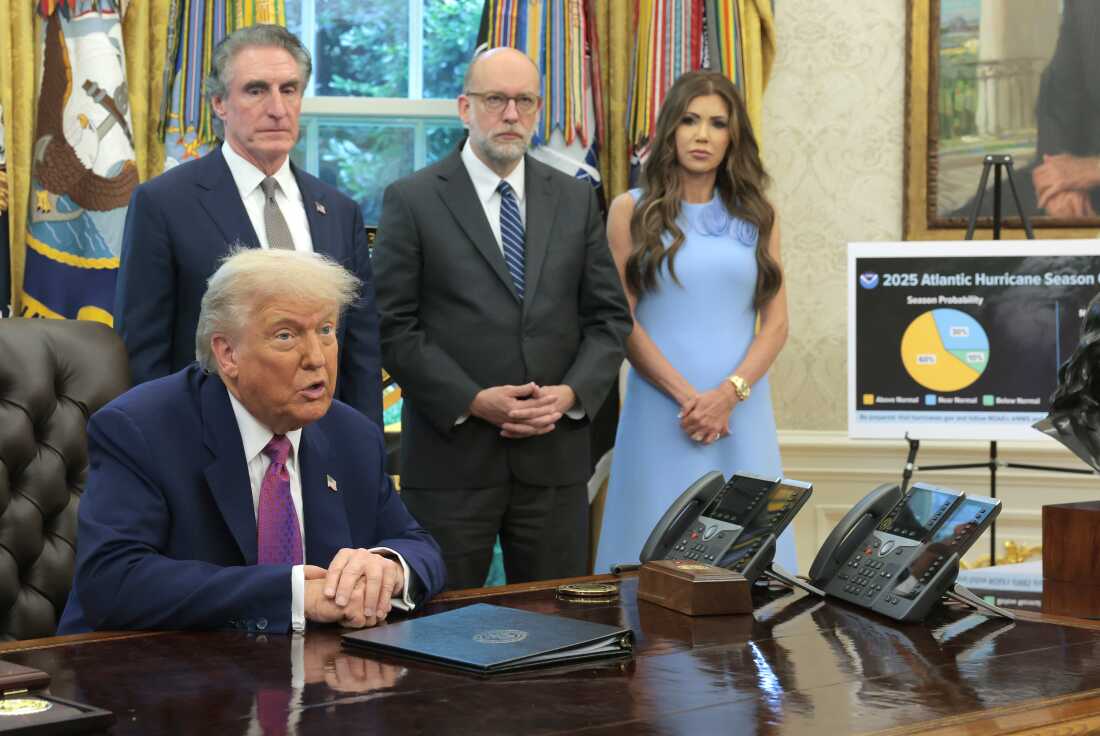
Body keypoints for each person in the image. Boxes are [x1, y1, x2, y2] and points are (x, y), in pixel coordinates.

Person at [57, 249, 445, 633]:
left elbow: (418, 544)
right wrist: (294, 595)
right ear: (227, 354)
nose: (316, 358)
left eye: (326, 330)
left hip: (311, 675)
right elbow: (112, 581)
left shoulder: (351, 435)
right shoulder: (140, 429)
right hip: (146, 675)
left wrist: (389, 568)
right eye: (286, 335)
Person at [372, 47, 631, 590]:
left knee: (558, 634)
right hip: (452, 463)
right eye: (496, 100)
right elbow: (393, 325)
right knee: (441, 632)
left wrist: (570, 396)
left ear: (538, 111)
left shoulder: (575, 199)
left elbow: (608, 319)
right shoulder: (412, 200)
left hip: (554, 459)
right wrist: (471, 399)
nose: (511, 115)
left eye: (525, 101)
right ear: (465, 107)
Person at [114, 24, 381, 426]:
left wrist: (365, 457)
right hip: (206, 446)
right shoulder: (164, 204)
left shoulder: (339, 210)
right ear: (220, 103)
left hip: (321, 453)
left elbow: (360, 352)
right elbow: (143, 353)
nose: (277, 108)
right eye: (256, 90)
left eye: (289, 90)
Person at [594, 70, 797, 573]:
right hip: (662, 415)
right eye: (689, 120)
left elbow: (775, 325)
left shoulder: (759, 215)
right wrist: (690, 400)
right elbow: (622, 319)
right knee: (651, 561)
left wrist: (727, 396)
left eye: (716, 123)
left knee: (746, 567)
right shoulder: (630, 210)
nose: (702, 134)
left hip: (740, 415)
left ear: (734, 138)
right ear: (670, 131)